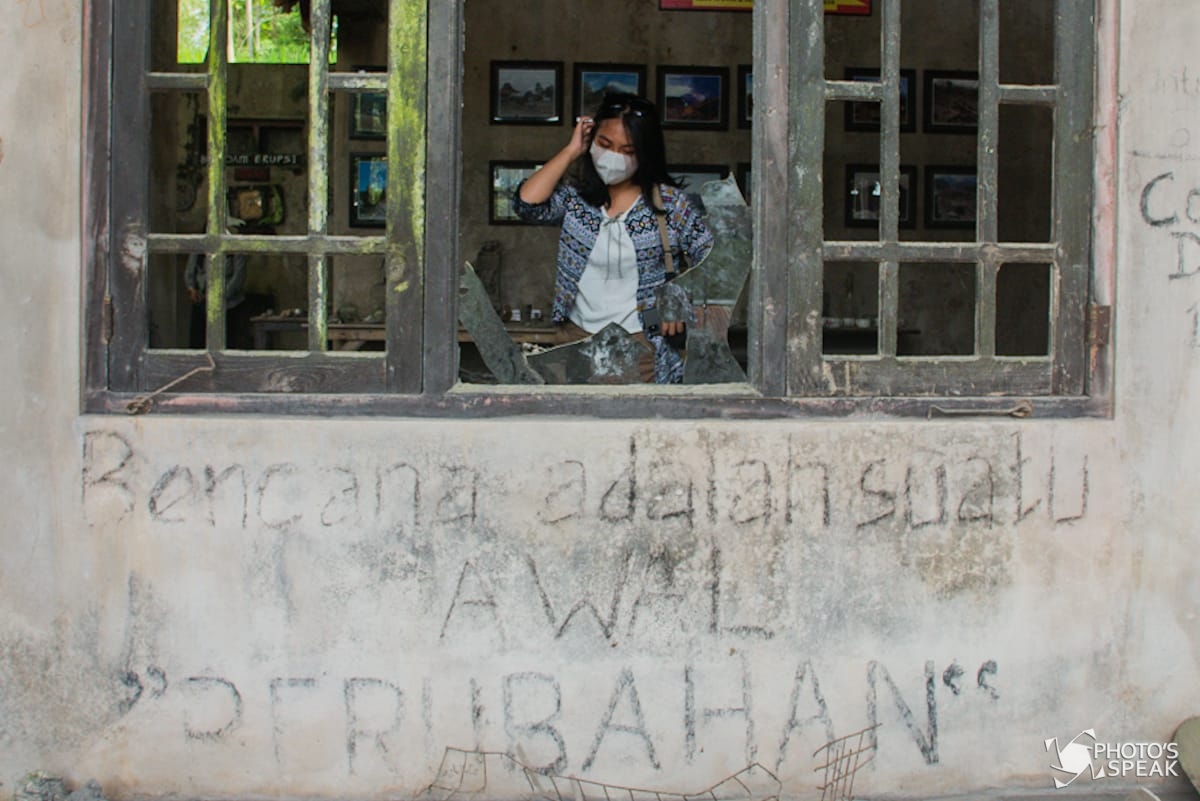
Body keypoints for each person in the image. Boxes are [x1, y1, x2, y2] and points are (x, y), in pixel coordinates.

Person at [512, 92, 713, 383]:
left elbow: (713, 258)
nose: (614, 158)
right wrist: (571, 150)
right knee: (576, 411)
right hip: (576, 338)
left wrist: (679, 301)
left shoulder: (670, 205)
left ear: (644, 154)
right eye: (605, 144)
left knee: (637, 413)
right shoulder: (576, 201)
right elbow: (526, 205)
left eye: (627, 151)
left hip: (640, 342)